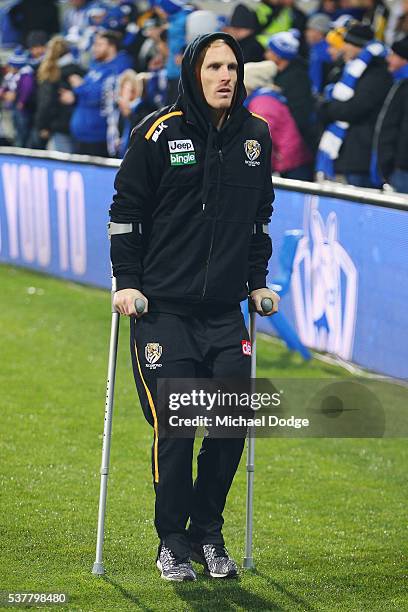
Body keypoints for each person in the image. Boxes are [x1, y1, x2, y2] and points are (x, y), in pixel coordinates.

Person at [109, 32, 279, 581]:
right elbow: (126, 213)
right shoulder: (157, 133)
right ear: (193, 72)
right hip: (161, 311)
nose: (225, 76)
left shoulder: (256, 136)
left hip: (226, 314)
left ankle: (210, 534)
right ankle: (173, 541)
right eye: (214, 67)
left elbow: (258, 219)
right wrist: (126, 282)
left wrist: (257, 281)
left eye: (232, 67)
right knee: (178, 429)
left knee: (230, 426)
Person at [316, 23, 393, 186]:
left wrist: (327, 108)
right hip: (345, 152)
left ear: (357, 46)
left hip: (359, 155)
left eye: (347, 43)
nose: (342, 48)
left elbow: (355, 109)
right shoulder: (347, 69)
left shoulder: (377, 73)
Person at [61, 30, 132, 156]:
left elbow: (100, 95)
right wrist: (75, 96)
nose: (94, 48)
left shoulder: (119, 66)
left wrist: (79, 87)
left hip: (98, 136)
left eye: (99, 45)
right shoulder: (96, 67)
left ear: (111, 47)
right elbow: (86, 94)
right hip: (82, 135)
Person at [244, 60, 314, 179]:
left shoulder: (262, 105)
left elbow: (262, 140)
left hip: (289, 166)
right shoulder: (263, 99)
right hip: (289, 161)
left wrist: (255, 170)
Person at [266, 30, 318, 162]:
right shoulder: (279, 74)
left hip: (297, 146)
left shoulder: (297, 79)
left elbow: (299, 114)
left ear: (279, 55)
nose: (265, 54)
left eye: (269, 51)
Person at [35, 35, 85, 153]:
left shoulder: (52, 75)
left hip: (59, 127)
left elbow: (46, 103)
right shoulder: (81, 71)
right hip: (79, 126)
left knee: (61, 164)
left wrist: (42, 125)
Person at [371, 35, 408, 192]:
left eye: (393, 54)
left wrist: (390, 164)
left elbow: (395, 128)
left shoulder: (404, 87)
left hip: (401, 169)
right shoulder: (398, 84)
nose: (388, 58)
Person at [305, 13, 332, 96]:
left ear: (319, 32)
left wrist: (314, 94)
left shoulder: (322, 51)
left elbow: (316, 77)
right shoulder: (316, 48)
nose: (307, 33)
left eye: (311, 30)